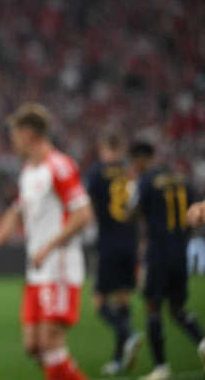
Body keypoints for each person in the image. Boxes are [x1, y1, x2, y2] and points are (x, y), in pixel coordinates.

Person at [0, 103, 93, 380]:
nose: (12, 139)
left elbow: (83, 214)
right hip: (37, 269)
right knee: (33, 346)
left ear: (28, 133)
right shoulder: (29, 171)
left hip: (58, 265)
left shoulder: (59, 166)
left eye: (15, 133)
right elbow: (16, 213)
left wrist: (48, 246)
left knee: (50, 343)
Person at [128, 141, 205, 380]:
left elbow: (133, 211)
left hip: (158, 251)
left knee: (153, 307)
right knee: (177, 308)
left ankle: (161, 367)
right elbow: (195, 211)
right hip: (181, 250)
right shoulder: (181, 179)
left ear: (140, 159)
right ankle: (203, 342)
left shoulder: (145, 180)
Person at [85, 130, 142, 375]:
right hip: (130, 242)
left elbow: (86, 206)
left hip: (108, 243)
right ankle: (119, 359)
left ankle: (128, 335)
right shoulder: (131, 173)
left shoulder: (97, 172)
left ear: (105, 149)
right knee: (122, 300)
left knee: (99, 302)